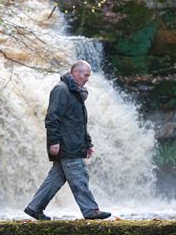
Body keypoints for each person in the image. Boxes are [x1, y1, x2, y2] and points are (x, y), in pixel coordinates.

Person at [24, 60, 111, 220]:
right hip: (66, 145)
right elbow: (52, 118)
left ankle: (34, 207)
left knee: (56, 178)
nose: (87, 79)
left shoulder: (74, 91)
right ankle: (90, 210)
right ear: (75, 73)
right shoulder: (61, 90)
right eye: (85, 75)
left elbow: (79, 122)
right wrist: (54, 142)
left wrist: (88, 143)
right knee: (79, 176)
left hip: (73, 144)